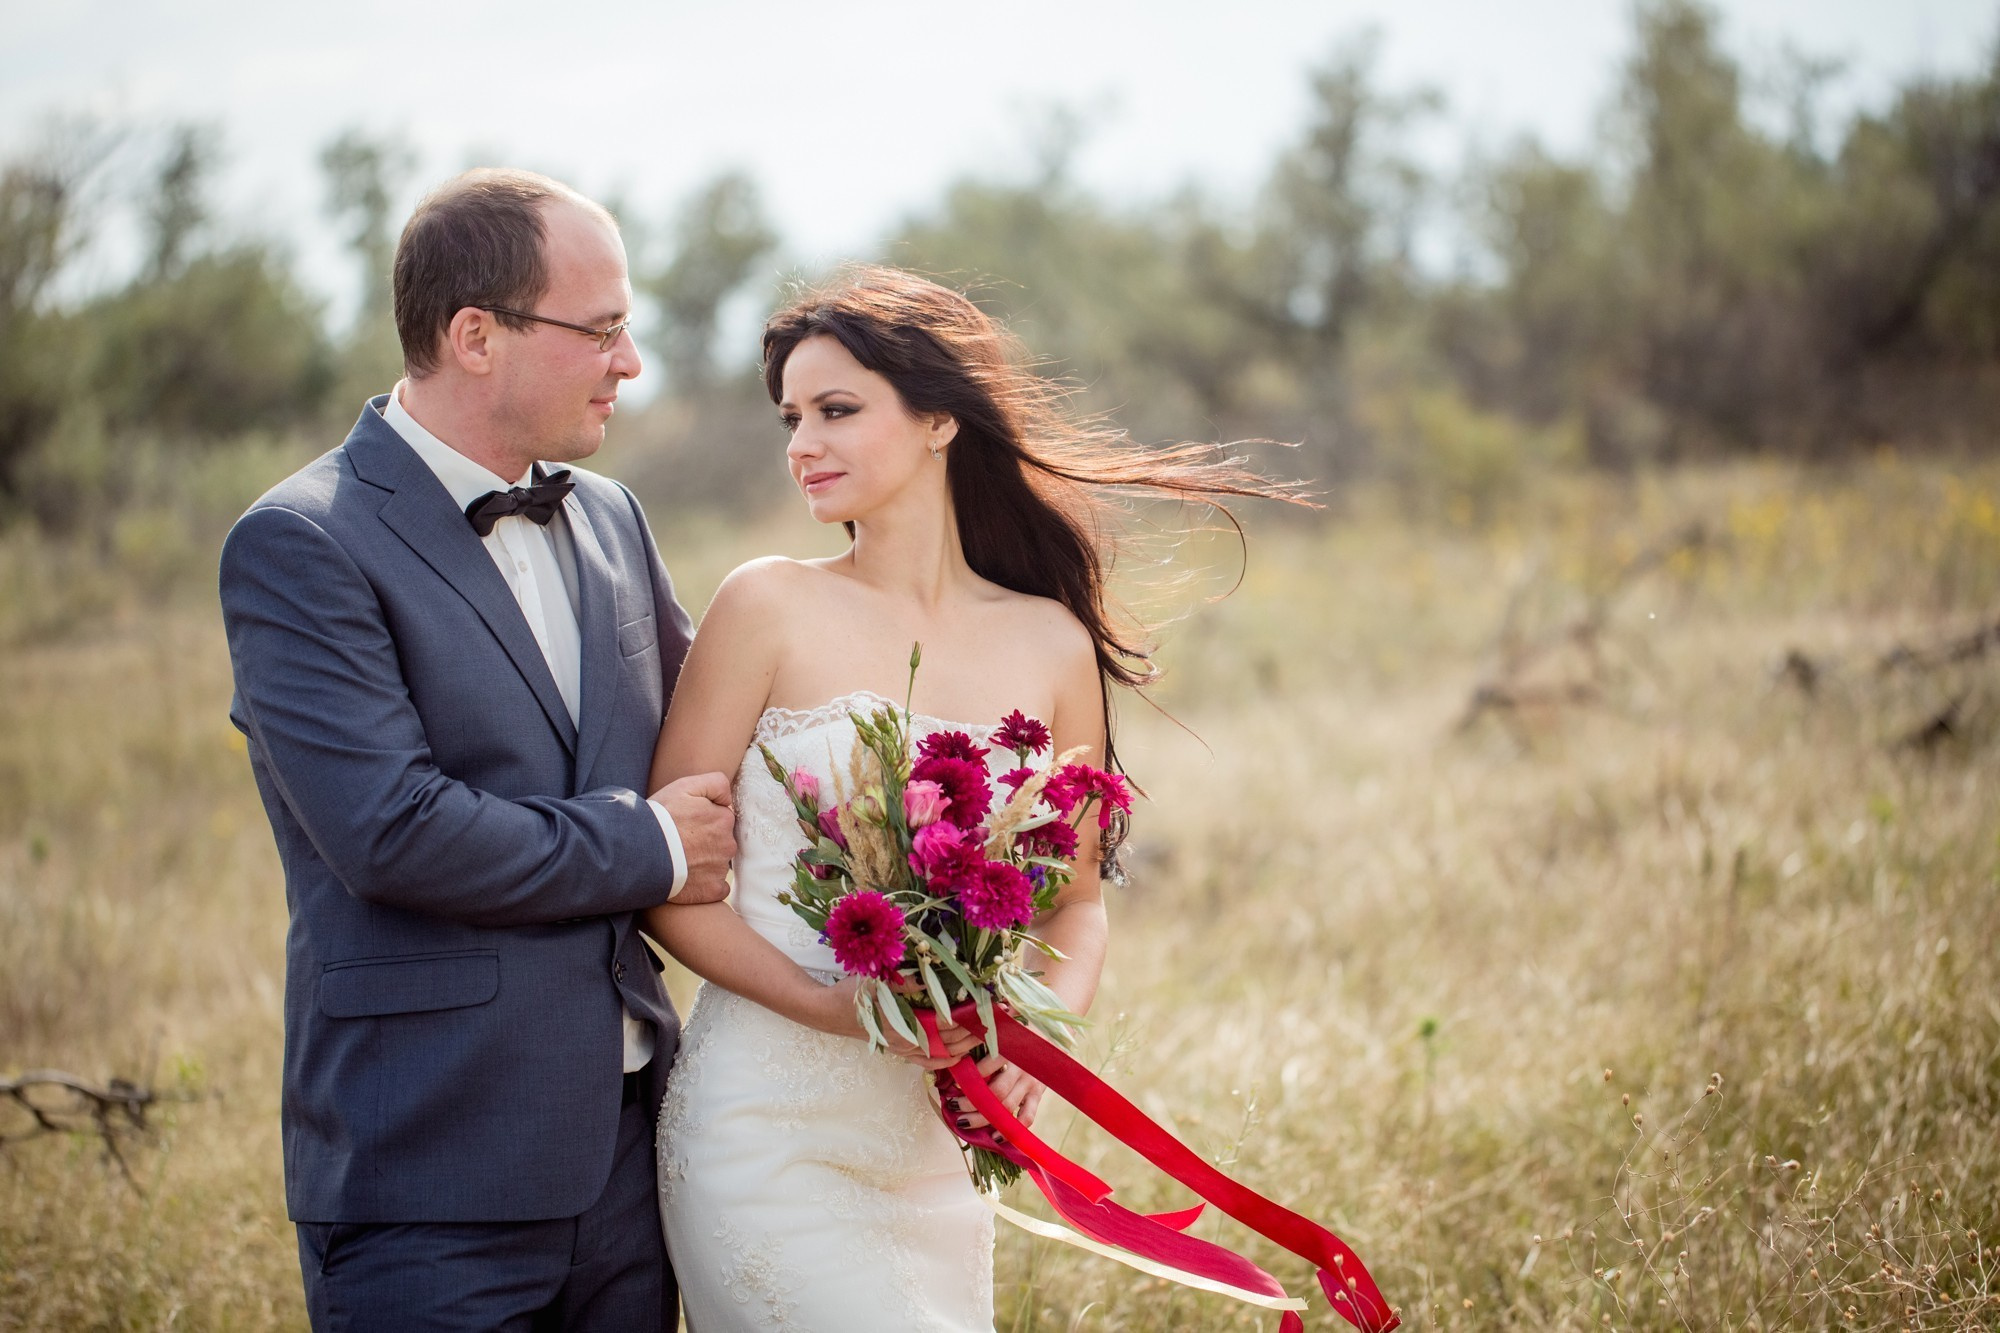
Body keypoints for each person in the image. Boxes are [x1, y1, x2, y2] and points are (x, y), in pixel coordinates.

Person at [646, 265, 1303, 1328]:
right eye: (791, 417)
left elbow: (1074, 906)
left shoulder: (1049, 638)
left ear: (941, 418)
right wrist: (838, 1006)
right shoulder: (764, 605)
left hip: (939, 1146)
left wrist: (1027, 1034)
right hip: (765, 1131)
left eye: (836, 410)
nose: (800, 444)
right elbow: (667, 886)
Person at [218, 168, 736, 1331]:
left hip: (629, 1161)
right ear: (475, 336)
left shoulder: (610, 517)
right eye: (602, 331)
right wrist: (651, 846)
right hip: (428, 1174)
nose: (630, 362)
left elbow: (712, 735)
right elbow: (390, 831)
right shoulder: (300, 543)